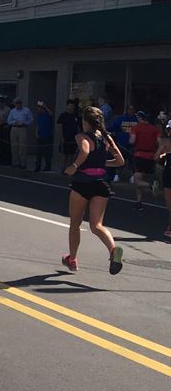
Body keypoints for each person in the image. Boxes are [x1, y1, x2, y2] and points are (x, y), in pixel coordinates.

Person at [61, 106, 125, 275]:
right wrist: (102, 163)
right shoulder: (106, 137)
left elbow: (85, 151)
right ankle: (113, 249)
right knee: (96, 225)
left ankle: (72, 259)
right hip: (101, 184)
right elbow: (120, 161)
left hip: (82, 183)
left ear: (85, 122)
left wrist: (74, 166)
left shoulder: (82, 136)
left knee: (75, 223)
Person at [129, 111, 159, 212]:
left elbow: (132, 141)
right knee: (140, 179)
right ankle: (139, 202)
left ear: (140, 118)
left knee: (137, 180)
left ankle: (151, 186)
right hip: (150, 156)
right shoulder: (154, 129)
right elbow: (158, 142)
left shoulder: (136, 128)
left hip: (139, 155)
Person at [6, 99, 33, 169]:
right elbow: (8, 121)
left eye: (19, 103)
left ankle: (23, 163)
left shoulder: (26, 110)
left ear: (21, 103)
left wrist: (24, 123)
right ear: (15, 104)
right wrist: (14, 122)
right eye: (17, 103)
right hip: (14, 128)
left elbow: (31, 120)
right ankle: (15, 162)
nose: (18, 104)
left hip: (22, 128)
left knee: (22, 146)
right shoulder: (12, 111)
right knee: (14, 146)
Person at [57, 100, 80, 169]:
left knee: (72, 154)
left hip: (74, 138)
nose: (71, 107)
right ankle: (63, 168)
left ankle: (69, 168)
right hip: (66, 137)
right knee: (65, 154)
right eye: (70, 105)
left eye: (73, 105)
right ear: (67, 106)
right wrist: (61, 137)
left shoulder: (76, 116)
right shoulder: (63, 115)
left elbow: (78, 127)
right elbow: (60, 127)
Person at [34, 101, 55, 173]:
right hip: (40, 136)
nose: (38, 109)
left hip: (47, 136)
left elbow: (51, 114)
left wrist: (45, 107)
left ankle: (48, 166)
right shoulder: (39, 115)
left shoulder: (47, 114)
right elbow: (37, 125)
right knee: (39, 152)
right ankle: (38, 166)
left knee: (47, 152)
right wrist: (36, 133)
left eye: (39, 107)